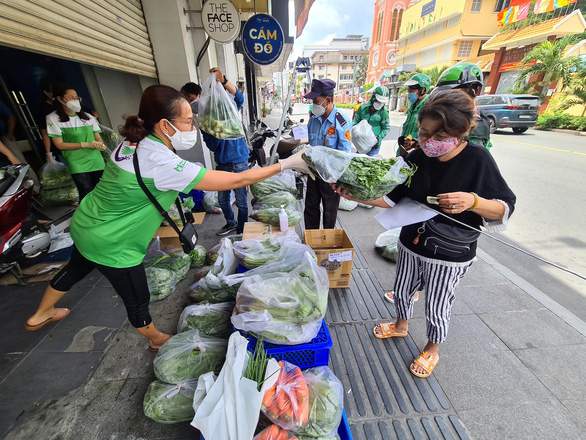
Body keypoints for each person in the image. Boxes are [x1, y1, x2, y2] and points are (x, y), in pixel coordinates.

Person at [25, 84, 310, 352]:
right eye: (187, 121)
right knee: (137, 297)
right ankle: (155, 338)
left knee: (76, 268)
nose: (192, 127)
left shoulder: (131, 142)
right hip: (112, 242)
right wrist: (285, 164)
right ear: (164, 124)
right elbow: (238, 181)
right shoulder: (160, 161)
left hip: (87, 223)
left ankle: (40, 313)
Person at [332, 89, 515, 378]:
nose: (427, 142)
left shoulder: (477, 160)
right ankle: (401, 325)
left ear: (461, 132)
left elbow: (504, 206)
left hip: (450, 251)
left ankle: (432, 348)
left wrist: (474, 202)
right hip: (412, 241)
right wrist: (354, 194)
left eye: (438, 138)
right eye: (424, 132)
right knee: (403, 288)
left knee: (439, 302)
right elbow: (391, 197)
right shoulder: (417, 156)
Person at [200, 68, 249, 236]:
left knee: (242, 201)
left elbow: (239, 97)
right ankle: (230, 223)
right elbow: (212, 146)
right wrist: (211, 131)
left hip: (240, 162)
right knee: (222, 199)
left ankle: (243, 229)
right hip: (222, 164)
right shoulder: (207, 122)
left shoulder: (232, 110)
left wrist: (224, 81)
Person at [304, 79, 352, 229]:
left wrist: (335, 179)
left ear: (328, 100)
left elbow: (344, 154)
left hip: (331, 175)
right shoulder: (314, 119)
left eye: (316, 100)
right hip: (313, 172)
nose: (314, 104)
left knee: (329, 212)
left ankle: (327, 240)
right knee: (310, 207)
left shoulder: (341, 122)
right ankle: (311, 239)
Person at [46, 83, 106, 200]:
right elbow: (59, 144)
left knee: (103, 192)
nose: (75, 100)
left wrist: (100, 144)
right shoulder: (53, 119)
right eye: (71, 97)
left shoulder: (87, 117)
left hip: (96, 160)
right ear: (60, 99)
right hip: (77, 162)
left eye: (76, 97)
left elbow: (97, 137)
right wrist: (85, 144)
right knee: (86, 193)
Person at [434, 62, 492, 150]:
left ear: (471, 91)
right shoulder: (452, 116)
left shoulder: (476, 127)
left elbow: (470, 160)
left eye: (452, 93)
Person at [398, 73, 431, 158]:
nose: (409, 93)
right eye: (408, 90)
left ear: (422, 90)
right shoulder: (413, 105)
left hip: (417, 152)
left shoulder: (429, 106)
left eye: (412, 90)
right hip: (404, 150)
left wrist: (416, 142)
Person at [352, 87, 391, 156]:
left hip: (373, 146)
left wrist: (378, 138)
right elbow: (355, 120)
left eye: (382, 102)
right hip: (361, 143)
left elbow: (386, 128)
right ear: (373, 97)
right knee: (358, 161)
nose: (380, 103)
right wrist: (355, 126)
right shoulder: (363, 108)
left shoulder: (384, 113)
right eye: (378, 101)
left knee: (370, 164)